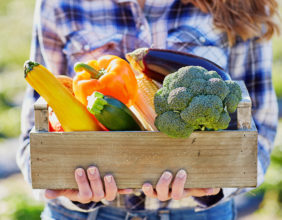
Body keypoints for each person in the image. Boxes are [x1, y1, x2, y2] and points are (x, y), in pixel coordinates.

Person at [17, 0, 280, 219]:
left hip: (196, 214)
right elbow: (35, 129)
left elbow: (261, 123)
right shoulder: (60, 3)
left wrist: (215, 184)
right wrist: (67, 187)